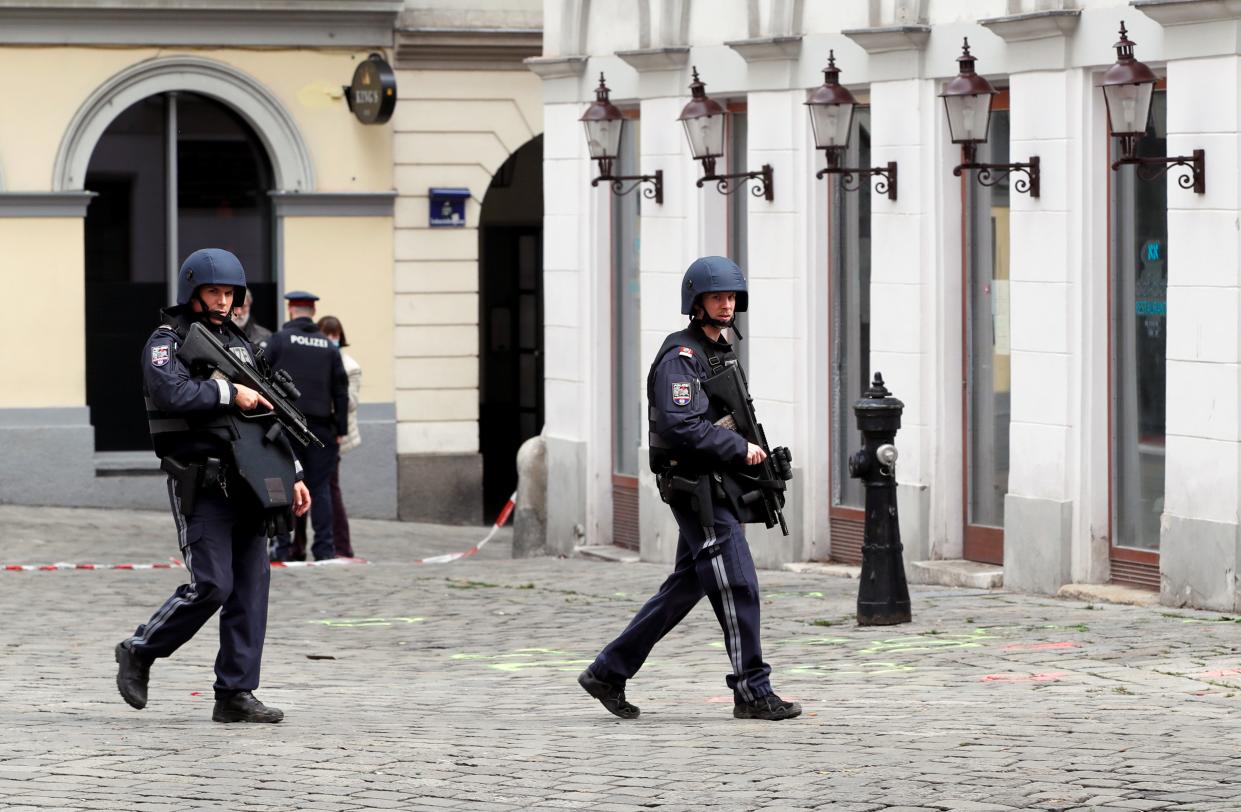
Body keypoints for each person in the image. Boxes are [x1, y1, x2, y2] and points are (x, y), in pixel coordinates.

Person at [578, 256, 801, 722]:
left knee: (686, 586)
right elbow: (683, 427)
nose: (726, 304)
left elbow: (729, 415)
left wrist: (757, 455)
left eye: (731, 297)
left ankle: (608, 671)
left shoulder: (719, 352)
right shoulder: (680, 358)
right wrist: (740, 449)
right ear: (695, 303)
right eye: (716, 297)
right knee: (738, 583)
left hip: (716, 485)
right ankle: (753, 691)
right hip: (697, 489)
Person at [114, 248, 311, 724]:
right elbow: (170, 392)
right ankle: (140, 649)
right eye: (214, 292)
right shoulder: (168, 341)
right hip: (201, 483)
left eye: (230, 293)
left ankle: (236, 694)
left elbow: (269, 417)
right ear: (193, 292)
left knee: (250, 590)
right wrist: (230, 392)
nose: (223, 301)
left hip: (251, 484)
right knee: (213, 585)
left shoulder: (242, 344)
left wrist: (296, 473)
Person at [265, 291, 349, 562]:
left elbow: (260, 377)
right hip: (321, 429)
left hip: (284, 426)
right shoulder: (328, 346)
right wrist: (342, 429)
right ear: (313, 312)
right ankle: (324, 549)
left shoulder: (278, 341)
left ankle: (283, 547)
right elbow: (341, 391)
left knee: (284, 483)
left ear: (291, 309)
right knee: (321, 488)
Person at [317, 315, 361, 558]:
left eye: (334, 336)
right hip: (316, 429)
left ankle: (342, 546)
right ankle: (300, 546)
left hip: (334, 433)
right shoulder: (313, 360)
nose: (330, 340)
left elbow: (351, 402)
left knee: (330, 489)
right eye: (326, 335)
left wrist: (334, 389)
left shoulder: (350, 366)